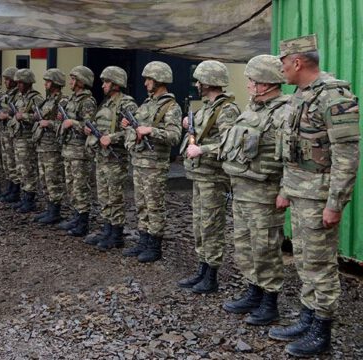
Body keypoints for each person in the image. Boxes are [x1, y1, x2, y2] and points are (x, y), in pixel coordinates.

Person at [270, 34, 359, 358]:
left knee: (320, 265)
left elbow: (347, 155)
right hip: (300, 193)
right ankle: (307, 319)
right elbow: (292, 152)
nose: (281, 69)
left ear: (297, 62)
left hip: (320, 197)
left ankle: (322, 331)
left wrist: (335, 204)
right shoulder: (301, 94)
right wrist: (285, 190)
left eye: (282, 62)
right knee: (306, 262)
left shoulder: (334, 96)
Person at [218, 54, 289, 326]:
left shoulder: (284, 112)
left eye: (251, 80)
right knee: (244, 246)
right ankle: (253, 291)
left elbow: (289, 159)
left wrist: (285, 191)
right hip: (242, 189)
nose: (248, 84)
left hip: (265, 193)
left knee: (266, 248)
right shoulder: (252, 109)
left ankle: (270, 303)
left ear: (265, 83)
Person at [178, 60, 240, 293]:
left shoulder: (227, 110)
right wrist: (189, 127)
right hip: (200, 175)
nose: (197, 84)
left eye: (200, 80)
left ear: (209, 82)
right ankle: (202, 269)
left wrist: (203, 149)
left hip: (214, 177)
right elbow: (202, 134)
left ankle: (211, 276)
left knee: (211, 226)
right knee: (199, 225)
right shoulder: (207, 107)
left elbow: (230, 144)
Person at [120, 61, 182, 263]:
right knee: (141, 205)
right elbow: (136, 129)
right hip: (139, 162)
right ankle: (143, 241)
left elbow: (174, 137)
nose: (146, 83)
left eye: (149, 79)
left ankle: (154, 246)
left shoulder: (171, 107)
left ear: (159, 80)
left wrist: (151, 131)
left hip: (155, 165)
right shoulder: (146, 104)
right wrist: (128, 126)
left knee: (154, 206)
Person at [83, 66, 138, 250]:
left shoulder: (127, 104)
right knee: (104, 196)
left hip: (116, 158)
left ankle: (116, 234)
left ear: (115, 84)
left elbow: (132, 131)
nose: (103, 85)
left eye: (106, 82)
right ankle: (107, 229)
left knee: (115, 197)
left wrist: (112, 138)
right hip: (102, 157)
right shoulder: (106, 104)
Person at [57, 65, 97, 237]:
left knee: (80, 187)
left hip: (80, 152)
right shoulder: (72, 99)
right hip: (69, 150)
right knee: (71, 186)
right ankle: (75, 216)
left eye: (74, 79)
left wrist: (72, 123)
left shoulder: (87, 101)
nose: (70, 82)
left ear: (82, 81)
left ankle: (82, 222)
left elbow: (90, 128)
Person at [32, 68, 66, 224]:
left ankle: (55, 212)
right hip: (42, 144)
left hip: (52, 146)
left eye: (48, 81)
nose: (45, 83)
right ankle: (49, 209)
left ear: (56, 83)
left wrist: (49, 123)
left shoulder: (62, 101)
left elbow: (64, 123)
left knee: (53, 179)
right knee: (44, 179)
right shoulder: (48, 100)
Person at [11, 69, 44, 213]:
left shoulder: (36, 98)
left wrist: (23, 116)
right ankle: (24, 197)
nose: (18, 85)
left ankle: (30, 200)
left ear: (28, 83)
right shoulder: (20, 97)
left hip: (28, 138)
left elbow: (38, 118)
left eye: (21, 83)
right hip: (18, 137)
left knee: (28, 169)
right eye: (17, 82)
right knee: (20, 169)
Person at [0, 67, 21, 203]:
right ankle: (10, 188)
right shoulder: (7, 94)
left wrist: (7, 116)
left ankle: (16, 191)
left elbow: (18, 114)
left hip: (13, 133)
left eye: (7, 79)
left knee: (13, 162)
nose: (5, 82)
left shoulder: (18, 95)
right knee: (7, 162)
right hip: (4, 131)